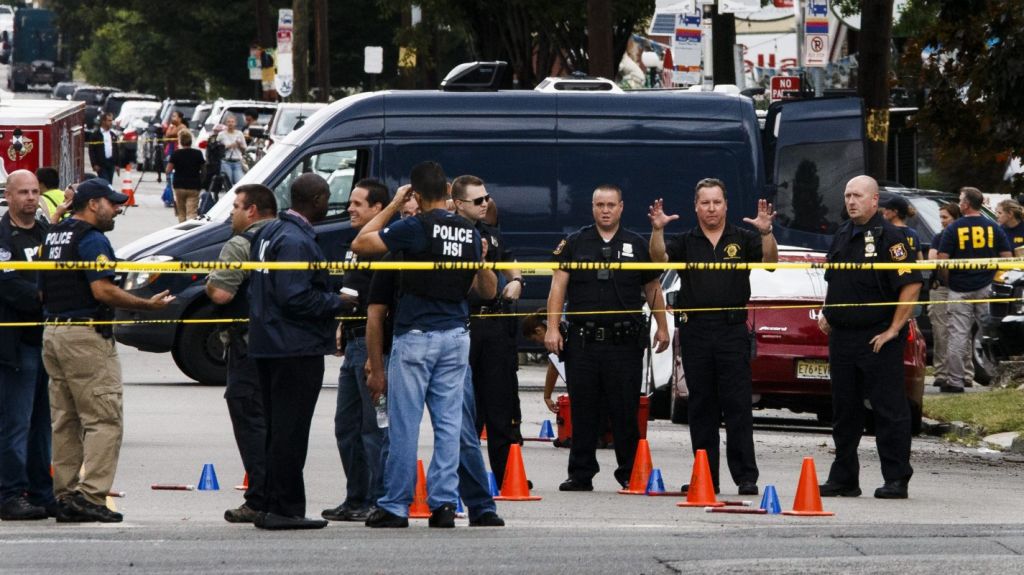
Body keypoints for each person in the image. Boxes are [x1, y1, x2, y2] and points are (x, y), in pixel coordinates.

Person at [351, 161, 497, 528]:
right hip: (455, 335)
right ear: (449, 192)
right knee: (449, 425)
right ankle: (444, 504)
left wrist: (392, 205)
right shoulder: (468, 230)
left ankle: (396, 505)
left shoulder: (414, 227)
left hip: (416, 335)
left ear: (415, 193)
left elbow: (362, 241)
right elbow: (487, 290)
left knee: (404, 424)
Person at [38, 178, 174, 522]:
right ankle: (91, 497)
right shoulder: (92, 239)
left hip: (54, 332)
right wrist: (147, 305)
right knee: (103, 419)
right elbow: (103, 290)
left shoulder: (55, 234)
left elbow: (41, 288)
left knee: (65, 421)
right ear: (93, 204)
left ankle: (66, 496)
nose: (117, 208)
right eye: (111, 203)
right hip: (85, 336)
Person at [648, 178, 777, 496]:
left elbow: (771, 263)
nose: (711, 208)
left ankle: (746, 476)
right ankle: (706, 476)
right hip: (696, 332)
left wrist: (766, 232)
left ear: (726, 205)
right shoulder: (684, 240)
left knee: (738, 407)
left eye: (716, 202)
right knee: (701, 407)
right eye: (705, 202)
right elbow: (656, 260)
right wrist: (658, 230)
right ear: (696, 206)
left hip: (732, 331)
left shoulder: (743, 238)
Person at [545, 184, 669, 492]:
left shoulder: (636, 244)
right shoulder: (574, 243)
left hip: (623, 345)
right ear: (592, 207)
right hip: (584, 344)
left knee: (625, 411)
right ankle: (581, 473)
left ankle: (629, 472)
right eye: (599, 204)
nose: (605, 210)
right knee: (583, 410)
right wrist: (551, 328)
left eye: (611, 204)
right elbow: (557, 288)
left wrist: (663, 326)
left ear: (621, 207)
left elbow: (653, 289)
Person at [247, 173, 344, 530]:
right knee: (290, 432)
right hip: (293, 347)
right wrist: (338, 302)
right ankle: (286, 509)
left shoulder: (270, 232)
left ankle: (272, 503)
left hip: (270, 343)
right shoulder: (294, 241)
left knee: (277, 429)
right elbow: (294, 296)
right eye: (327, 197)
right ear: (318, 199)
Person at [816, 175, 922, 499]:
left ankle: (896, 478)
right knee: (844, 411)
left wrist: (893, 330)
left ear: (875, 200)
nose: (850, 201)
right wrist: (827, 311)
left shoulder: (892, 237)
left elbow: (912, 284)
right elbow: (834, 280)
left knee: (888, 411)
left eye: (858, 196)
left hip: (878, 339)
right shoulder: (842, 234)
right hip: (843, 337)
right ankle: (845, 478)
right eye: (847, 195)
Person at [204, 184, 278, 524]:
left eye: (235, 206)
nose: (232, 212)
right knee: (278, 424)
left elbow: (220, 293)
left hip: (247, 347)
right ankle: (278, 495)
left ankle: (260, 498)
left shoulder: (241, 243)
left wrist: (209, 280)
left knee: (250, 420)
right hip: (284, 346)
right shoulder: (288, 237)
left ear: (252, 211)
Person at [322, 178, 390, 523]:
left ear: (378, 209)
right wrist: (338, 323)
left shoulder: (381, 245)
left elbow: (374, 302)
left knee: (372, 428)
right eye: (350, 202)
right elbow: (352, 292)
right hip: (351, 342)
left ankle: (378, 501)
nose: (350, 208)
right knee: (345, 426)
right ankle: (355, 498)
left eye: (358, 204)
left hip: (370, 344)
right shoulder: (356, 245)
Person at [451, 175, 525, 488]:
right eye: (477, 200)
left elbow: (509, 261)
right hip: (463, 324)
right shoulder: (449, 235)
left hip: (493, 324)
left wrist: (518, 281)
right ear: (458, 204)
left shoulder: (489, 235)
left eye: (486, 198)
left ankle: (508, 474)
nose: (485, 204)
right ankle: (461, 476)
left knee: (500, 403)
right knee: (463, 409)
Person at [0, 170, 56, 520]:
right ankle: (10, 493)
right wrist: (47, 297)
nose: (31, 198)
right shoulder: (3, 237)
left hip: (46, 341)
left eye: (35, 191)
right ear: (8, 196)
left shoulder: (45, 232)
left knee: (42, 424)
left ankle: (40, 491)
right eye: (23, 192)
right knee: (15, 422)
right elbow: (10, 287)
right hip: (16, 344)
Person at [936, 186, 1012, 393]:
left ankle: (956, 381)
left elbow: (942, 261)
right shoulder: (993, 227)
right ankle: (999, 378)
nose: (959, 203)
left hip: (959, 289)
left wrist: (950, 281)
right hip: (986, 287)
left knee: (958, 335)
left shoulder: (953, 228)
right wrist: (992, 276)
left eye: (961, 200)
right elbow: (1007, 257)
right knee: (990, 332)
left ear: (966, 204)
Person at [926, 202, 973, 389]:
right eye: (941, 217)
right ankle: (942, 373)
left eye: (946, 217)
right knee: (940, 332)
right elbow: (932, 260)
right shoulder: (939, 237)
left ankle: (966, 374)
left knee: (963, 331)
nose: (942, 221)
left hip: (961, 287)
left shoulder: (964, 238)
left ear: (956, 218)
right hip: (941, 289)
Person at [522, 309, 565, 414]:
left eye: (535, 339)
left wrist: (547, 396)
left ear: (538, 331)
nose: (538, 343)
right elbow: (554, 365)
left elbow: (554, 367)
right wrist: (547, 396)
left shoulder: (560, 339)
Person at [166, 129, 205, 222]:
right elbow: (204, 168)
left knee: (181, 212)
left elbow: (168, 169)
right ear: (191, 140)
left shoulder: (176, 154)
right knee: (192, 212)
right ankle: (192, 231)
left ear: (180, 141)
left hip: (179, 185)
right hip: (194, 185)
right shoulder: (198, 153)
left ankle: (182, 229)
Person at [879, 194, 923, 260]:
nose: (884, 211)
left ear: (895, 212)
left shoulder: (885, 232)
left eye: (887, 208)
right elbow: (920, 260)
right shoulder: (913, 234)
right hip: (912, 269)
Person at [88, 113, 119, 183]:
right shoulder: (96, 135)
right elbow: (91, 151)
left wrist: (117, 164)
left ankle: (108, 193)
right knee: (105, 182)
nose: (111, 123)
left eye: (112, 120)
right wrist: (94, 164)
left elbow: (116, 150)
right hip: (101, 164)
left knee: (110, 182)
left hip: (111, 163)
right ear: (103, 121)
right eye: (109, 121)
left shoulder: (113, 135)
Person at [219, 115, 247, 187]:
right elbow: (218, 148)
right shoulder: (221, 134)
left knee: (240, 182)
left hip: (237, 161)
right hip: (226, 161)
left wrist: (239, 145)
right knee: (228, 184)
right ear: (226, 123)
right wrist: (230, 145)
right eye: (228, 122)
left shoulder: (239, 133)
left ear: (235, 123)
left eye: (232, 122)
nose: (230, 124)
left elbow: (244, 149)